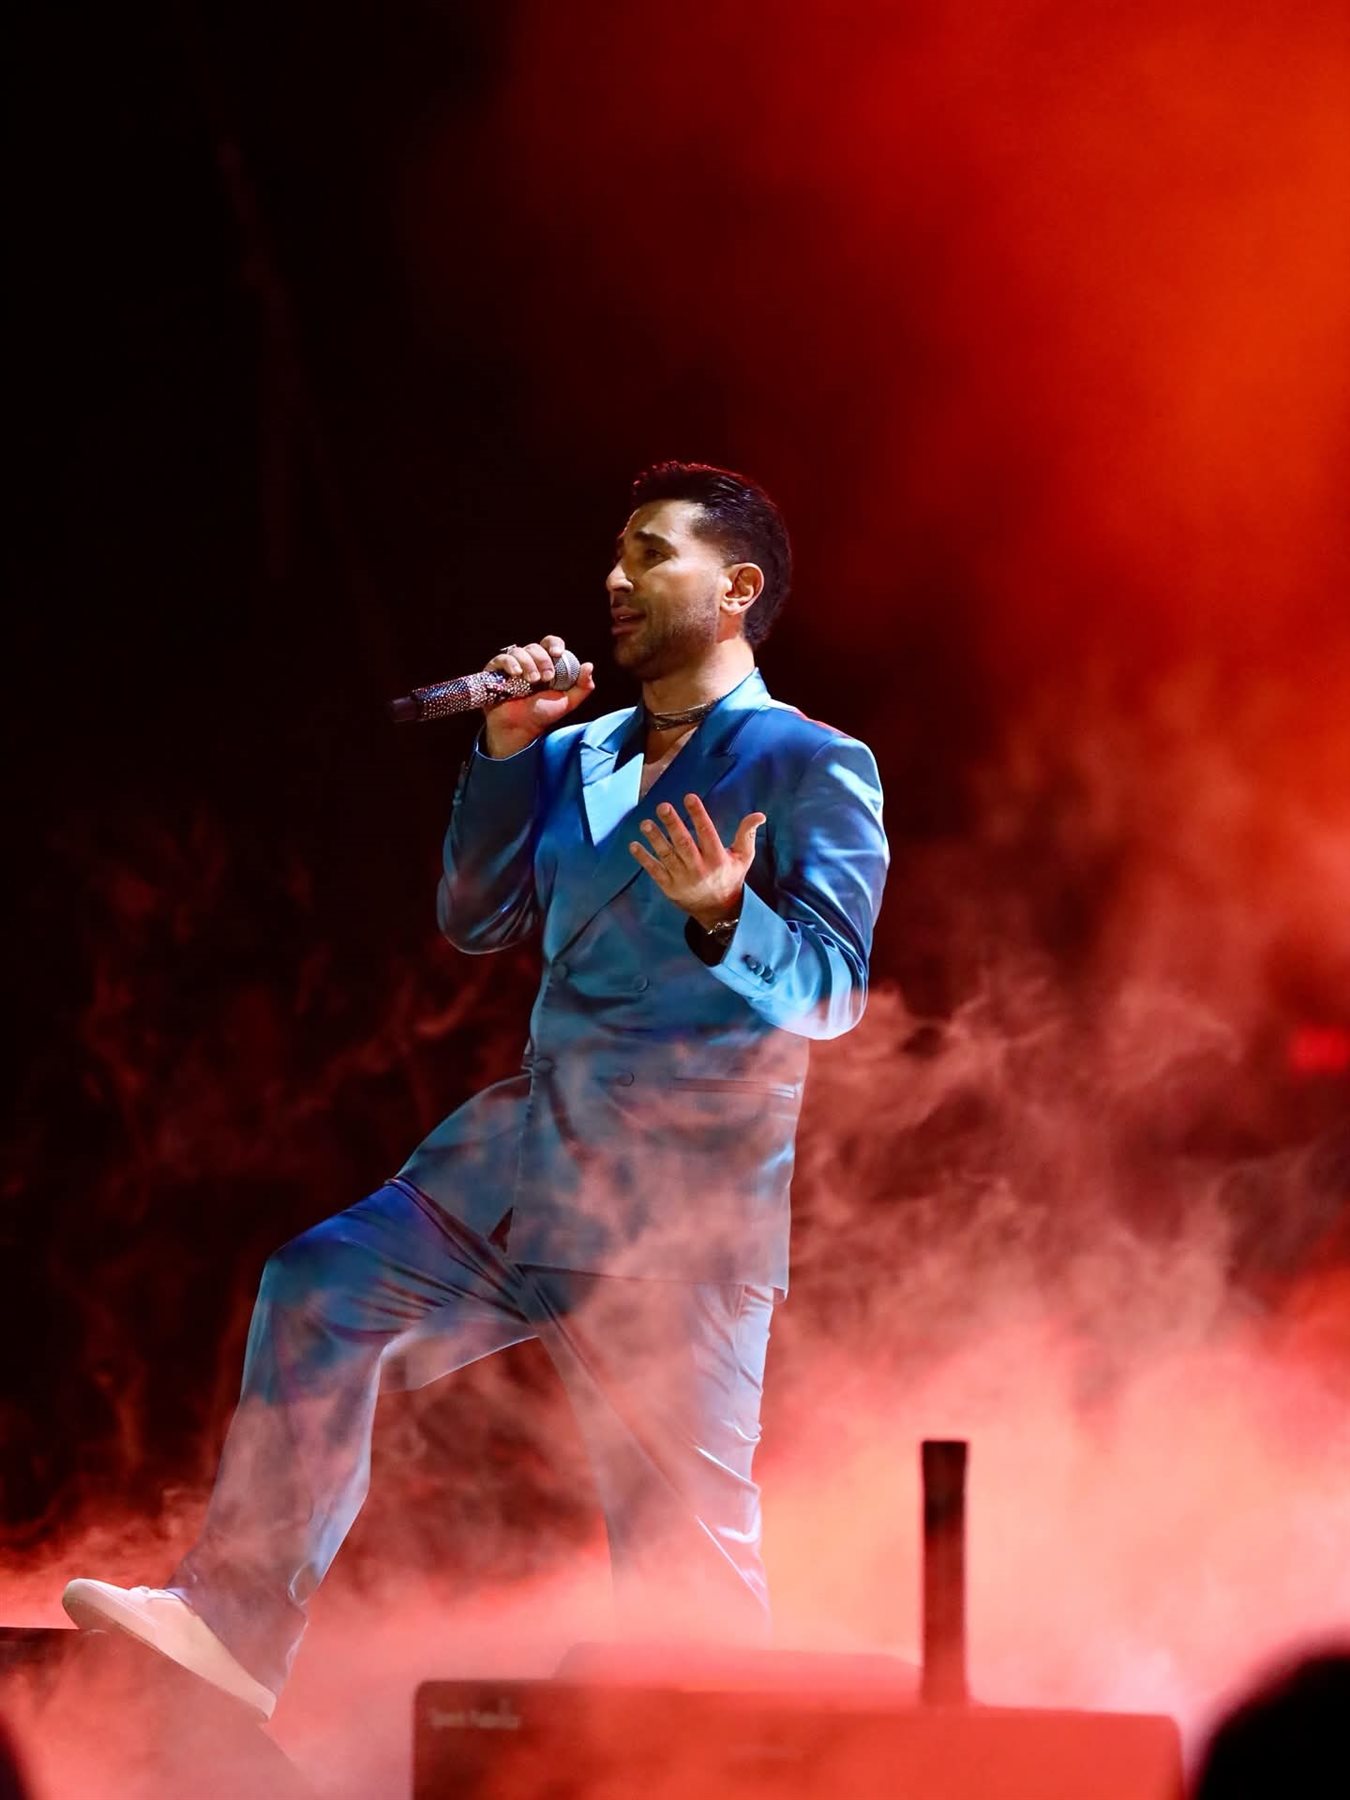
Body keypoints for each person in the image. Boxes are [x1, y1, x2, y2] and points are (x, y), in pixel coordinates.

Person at [62, 461, 890, 1721]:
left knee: (688, 1589)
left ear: (736, 588)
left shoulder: (810, 762)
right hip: (515, 1164)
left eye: (650, 553)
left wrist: (730, 916)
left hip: (677, 1210)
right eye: (615, 550)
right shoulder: (577, 750)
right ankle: (233, 1622)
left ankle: (716, 1759)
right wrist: (506, 752)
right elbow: (475, 917)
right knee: (318, 1288)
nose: (615, 577)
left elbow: (833, 986)